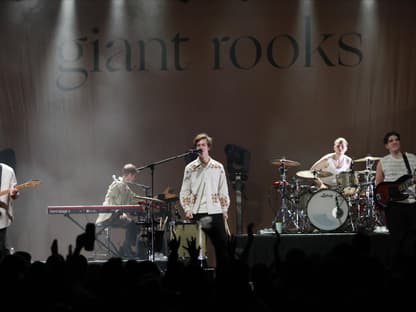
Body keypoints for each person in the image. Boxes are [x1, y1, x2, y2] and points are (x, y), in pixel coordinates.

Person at [179, 133, 231, 267]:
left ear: (209, 147)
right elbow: (185, 191)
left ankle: (222, 276)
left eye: (203, 145)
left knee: (222, 247)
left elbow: (223, 190)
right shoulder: (190, 168)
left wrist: (224, 209)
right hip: (197, 212)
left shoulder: (218, 167)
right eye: (198, 145)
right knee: (195, 248)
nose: (200, 147)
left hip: (215, 212)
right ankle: (198, 278)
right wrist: (187, 209)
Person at [375, 131, 416, 259]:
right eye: (391, 140)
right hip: (393, 205)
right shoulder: (383, 162)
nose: (394, 142)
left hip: (412, 202)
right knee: (396, 238)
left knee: (413, 237)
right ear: (387, 146)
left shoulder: (412, 158)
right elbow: (379, 184)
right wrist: (381, 203)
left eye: (396, 139)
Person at [95, 163, 140, 258]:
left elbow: (134, 198)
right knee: (131, 225)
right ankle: (126, 250)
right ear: (129, 175)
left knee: (134, 226)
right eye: (134, 176)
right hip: (109, 215)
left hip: (116, 215)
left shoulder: (126, 188)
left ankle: (124, 249)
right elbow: (109, 200)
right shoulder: (116, 185)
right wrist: (118, 212)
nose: (135, 178)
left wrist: (148, 200)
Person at [0, 163, 19, 258]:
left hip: (1, 216)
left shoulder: (8, 171)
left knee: (1, 247)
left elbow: (15, 193)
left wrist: (14, 194)